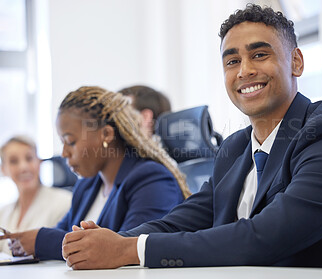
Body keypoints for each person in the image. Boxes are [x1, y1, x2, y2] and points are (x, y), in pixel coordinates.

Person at [60, 4, 322, 270]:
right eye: (232, 60)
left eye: (259, 54)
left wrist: (128, 249)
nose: (244, 70)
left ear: (296, 62)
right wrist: (109, 241)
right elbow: (187, 220)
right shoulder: (235, 148)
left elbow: (265, 237)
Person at [0, 86, 190, 260]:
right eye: (63, 143)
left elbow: (126, 246)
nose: (64, 153)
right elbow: (62, 234)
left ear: (106, 134)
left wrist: (41, 241)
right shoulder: (87, 185)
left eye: (71, 142)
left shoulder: (152, 179)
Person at [0, 135, 72, 255]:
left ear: (39, 162)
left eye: (29, 158)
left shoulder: (65, 203)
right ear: (3, 169)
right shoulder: (3, 212)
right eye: (14, 161)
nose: (23, 167)